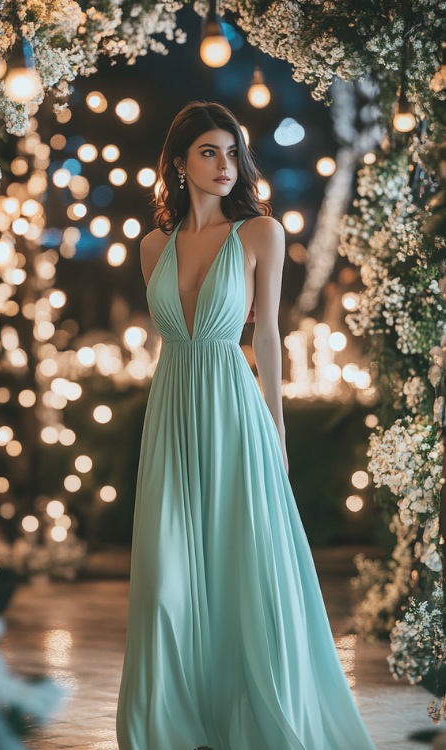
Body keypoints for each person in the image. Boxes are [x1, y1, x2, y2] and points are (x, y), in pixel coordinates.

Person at [115, 101, 377, 750]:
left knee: (242, 563)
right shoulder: (153, 246)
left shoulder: (260, 233)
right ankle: (174, 719)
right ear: (179, 163)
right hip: (172, 407)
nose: (225, 165)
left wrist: (277, 430)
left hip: (236, 409)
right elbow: (167, 340)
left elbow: (268, 336)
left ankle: (250, 711)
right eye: (209, 152)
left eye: (232, 152)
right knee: (167, 570)